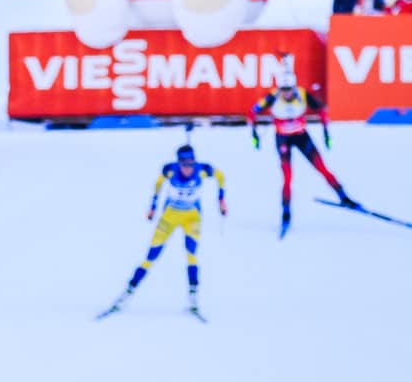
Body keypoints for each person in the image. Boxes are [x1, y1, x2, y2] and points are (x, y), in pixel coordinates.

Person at [100, 145, 227, 322]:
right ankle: (125, 296)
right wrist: (153, 206)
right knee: (150, 257)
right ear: (179, 163)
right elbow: (158, 184)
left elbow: (220, 176)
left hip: (192, 218)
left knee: (191, 256)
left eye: (191, 163)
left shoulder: (203, 171)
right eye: (184, 164)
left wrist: (221, 199)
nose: (188, 168)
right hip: (170, 216)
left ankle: (193, 301)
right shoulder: (170, 171)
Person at [249, 68, 357, 236]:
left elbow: (322, 110)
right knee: (287, 177)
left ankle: (344, 197)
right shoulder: (273, 96)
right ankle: (286, 212)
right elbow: (252, 112)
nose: (286, 93)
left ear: (294, 86)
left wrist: (326, 134)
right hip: (283, 140)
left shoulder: (302, 94)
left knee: (322, 168)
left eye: (289, 89)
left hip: (302, 137)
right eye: (283, 90)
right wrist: (254, 135)